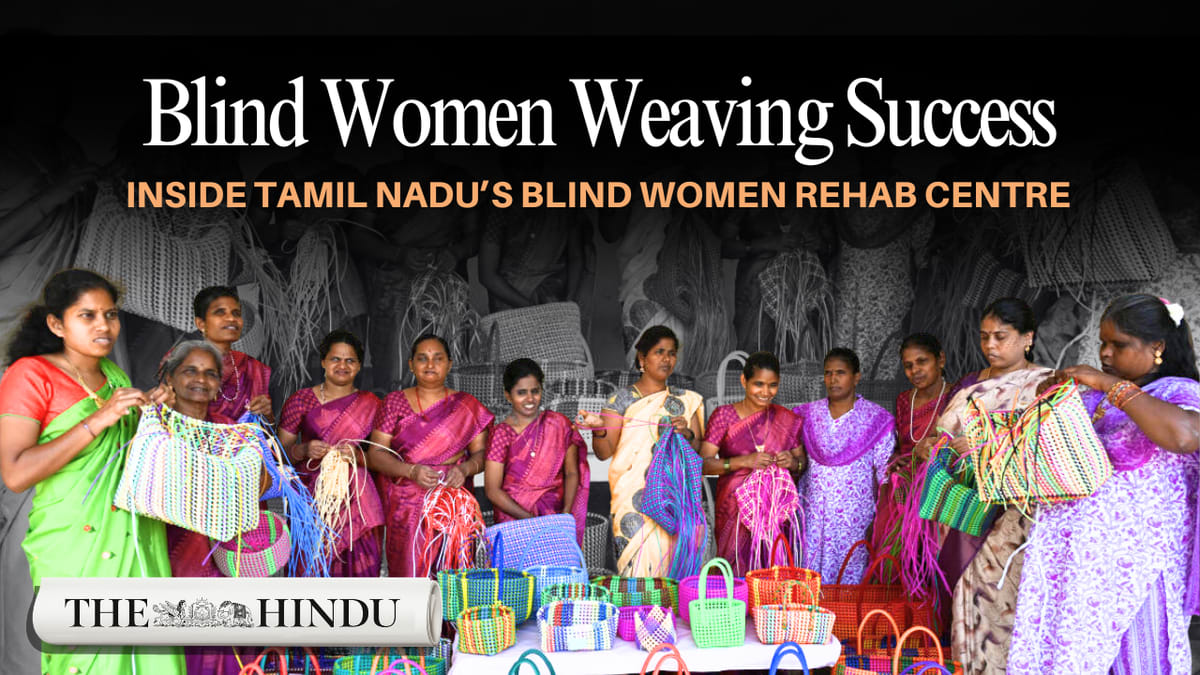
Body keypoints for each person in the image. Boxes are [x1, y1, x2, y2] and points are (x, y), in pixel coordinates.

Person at [0, 269, 185, 675]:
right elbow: (15, 473)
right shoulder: (30, 375)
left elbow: (126, 454)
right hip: (74, 540)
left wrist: (151, 412)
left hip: (135, 533)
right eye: (87, 315)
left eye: (111, 314)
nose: (104, 325)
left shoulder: (113, 377)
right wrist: (99, 419)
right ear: (56, 323)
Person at [1009, 294, 1200, 674]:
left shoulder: (1178, 394)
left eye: (1119, 344)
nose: (1105, 353)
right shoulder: (1096, 399)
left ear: (1157, 347)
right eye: (1102, 342)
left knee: (1140, 661)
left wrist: (1107, 383)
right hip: (1073, 563)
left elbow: (1184, 435)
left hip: (1135, 566)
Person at [919, 297, 1052, 675]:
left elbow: (1048, 449)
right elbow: (940, 438)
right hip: (963, 512)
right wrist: (935, 446)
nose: (991, 346)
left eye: (1001, 337)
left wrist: (986, 446)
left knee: (1004, 601)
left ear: (1027, 338)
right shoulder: (970, 387)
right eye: (984, 337)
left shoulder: (1047, 385)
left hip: (1017, 517)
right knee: (967, 597)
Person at [156, 339, 265, 675]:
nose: (201, 379)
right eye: (190, 371)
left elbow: (258, 486)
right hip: (167, 550)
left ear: (219, 384)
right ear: (170, 378)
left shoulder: (232, 431)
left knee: (221, 644)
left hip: (224, 555)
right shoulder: (154, 427)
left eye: (210, 374)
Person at [577, 325, 705, 577]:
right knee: (636, 576)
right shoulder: (620, 400)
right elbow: (604, 452)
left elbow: (697, 449)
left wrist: (687, 433)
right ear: (642, 357)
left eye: (671, 353)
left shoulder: (685, 400)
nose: (667, 359)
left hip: (673, 498)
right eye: (659, 352)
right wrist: (598, 428)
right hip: (633, 499)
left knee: (674, 571)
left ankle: (670, 616)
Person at [367, 334, 493, 577]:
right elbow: (376, 454)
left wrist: (464, 470)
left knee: (453, 571)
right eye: (422, 359)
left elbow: (481, 453)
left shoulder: (466, 405)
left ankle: (449, 616)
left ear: (449, 364)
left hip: (452, 499)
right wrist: (411, 471)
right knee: (409, 571)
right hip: (407, 502)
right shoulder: (394, 403)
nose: (430, 365)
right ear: (411, 365)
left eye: (438, 358)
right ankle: (412, 616)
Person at [277, 330, 384, 577]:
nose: (342, 366)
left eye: (350, 360)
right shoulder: (300, 401)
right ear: (323, 362)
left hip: (358, 498)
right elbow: (280, 455)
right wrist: (303, 449)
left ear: (359, 366)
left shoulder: (373, 404)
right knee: (312, 561)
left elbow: (383, 457)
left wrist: (357, 455)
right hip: (312, 498)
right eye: (335, 359)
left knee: (359, 564)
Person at [793, 347, 896, 584]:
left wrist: (881, 518)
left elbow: (884, 473)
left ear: (856, 377)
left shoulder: (875, 419)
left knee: (851, 571)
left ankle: (847, 620)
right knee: (811, 575)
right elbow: (796, 458)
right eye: (828, 373)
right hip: (814, 511)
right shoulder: (807, 415)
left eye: (841, 372)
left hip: (855, 515)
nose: (833, 379)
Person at [699, 351, 804, 576]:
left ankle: (768, 610)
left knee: (773, 569)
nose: (766, 392)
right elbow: (704, 465)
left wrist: (793, 463)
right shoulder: (724, 416)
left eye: (772, 385)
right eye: (758, 384)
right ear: (744, 381)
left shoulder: (785, 418)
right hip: (733, 509)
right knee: (734, 569)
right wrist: (743, 461)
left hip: (774, 510)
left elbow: (802, 462)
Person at [870, 333, 956, 586]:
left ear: (940, 359)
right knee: (891, 546)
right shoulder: (904, 400)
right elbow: (902, 443)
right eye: (908, 366)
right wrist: (897, 458)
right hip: (902, 485)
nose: (915, 370)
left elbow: (958, 442)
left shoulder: (956, 396)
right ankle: (894, 608)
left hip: (936, 484)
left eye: (922, 361)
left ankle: (926, 608)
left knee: (928, 551)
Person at [484, 358, 590, 544]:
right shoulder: (501, 433)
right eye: (521, 393)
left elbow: (572, 472)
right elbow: (492, 490)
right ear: (508, 395)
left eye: (535, 391)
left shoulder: (559, 424)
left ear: (542, 390)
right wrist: (531, 521)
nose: (530, 399)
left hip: (554, 518)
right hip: (514, 523)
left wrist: (565, 514)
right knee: (516, 573)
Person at [192, 286, 273, 423]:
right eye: (220, 312)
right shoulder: (182, 363)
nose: (231, 318)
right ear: (201, 324)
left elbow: (267, 433)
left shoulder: (253, 369)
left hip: (243, 443)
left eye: (236, 313)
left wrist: (267, 413)